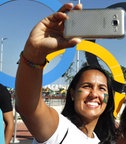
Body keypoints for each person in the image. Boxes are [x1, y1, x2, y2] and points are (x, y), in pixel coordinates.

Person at [15, 3, 116, 144]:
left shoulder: (102, 141)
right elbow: (29, 108)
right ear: (73, 94)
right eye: (87, 86)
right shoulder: (58, 130)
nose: (94, 94)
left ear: (109, 98)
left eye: (102, 88)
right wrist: (34, 52)